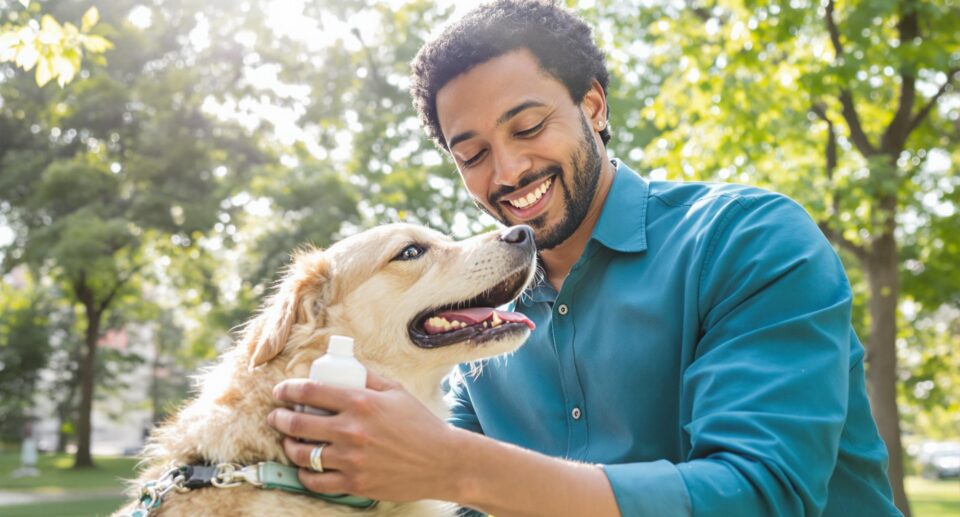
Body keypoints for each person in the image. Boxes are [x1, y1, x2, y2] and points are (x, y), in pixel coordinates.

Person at [267, 1, 902, 515]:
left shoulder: (749, 240)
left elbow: (762, 496)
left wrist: (456, 467)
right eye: (473, 155)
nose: (508, 171)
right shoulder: (475, 325)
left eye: (528, 126)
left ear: (592, 107)